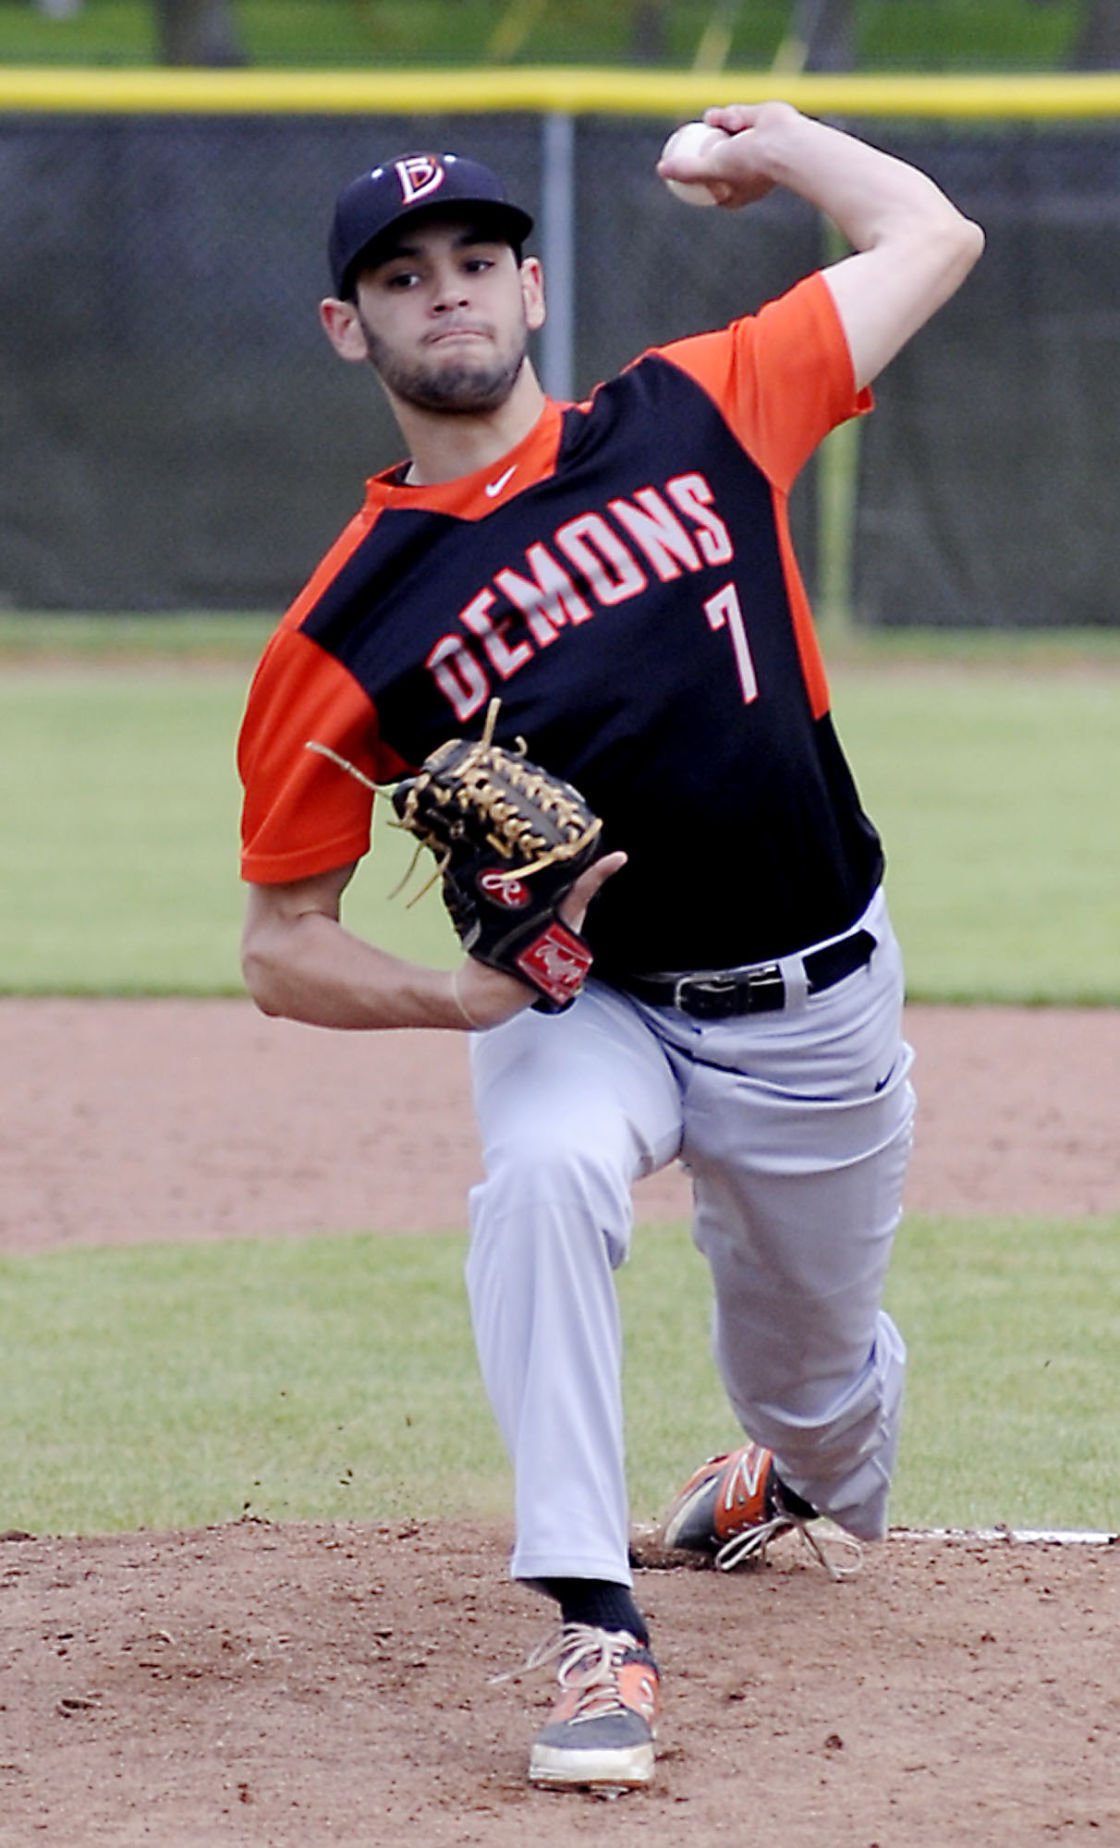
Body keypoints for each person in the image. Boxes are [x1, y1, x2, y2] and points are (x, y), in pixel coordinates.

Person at [237, 108, 983, 1792]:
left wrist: (782, 143)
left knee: (818, 1397)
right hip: (583, 1002)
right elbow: (279, 943)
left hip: (810, 998)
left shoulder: (695, 406)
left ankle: (789, 1467)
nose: (450, 294)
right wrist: (458, 994)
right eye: (402, 276)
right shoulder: (345, 630)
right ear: (347, 327)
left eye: (478, 262)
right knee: (544, 1185)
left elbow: (933, 238)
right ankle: (594, 1621)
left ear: (533, 287)